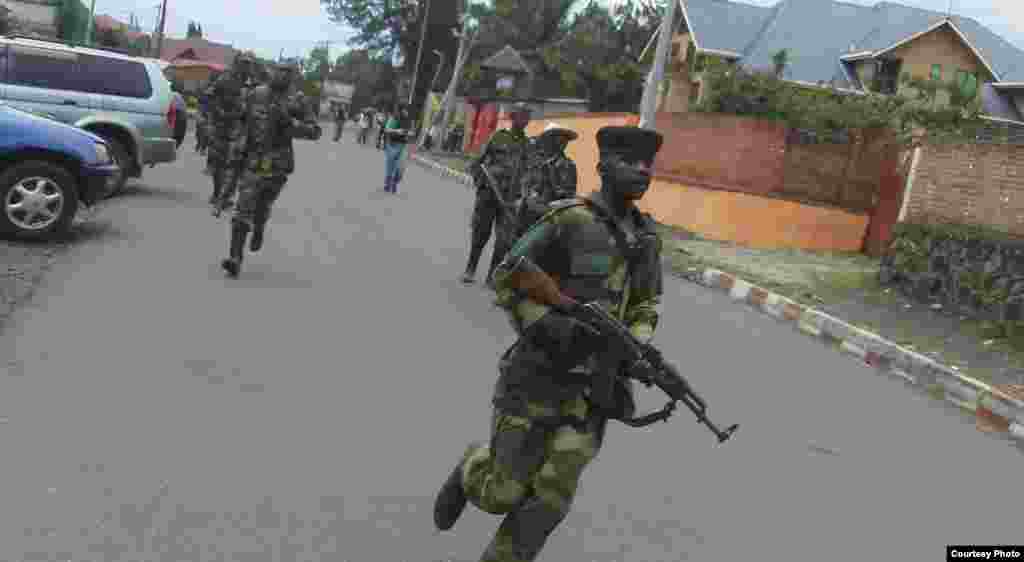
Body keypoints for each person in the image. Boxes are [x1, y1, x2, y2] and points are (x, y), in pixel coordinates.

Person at [432, 126, 666, 562]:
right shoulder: (568, 220)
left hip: (594, 391)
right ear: (602, 166)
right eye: (629, 161)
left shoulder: (647, 238)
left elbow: (647, 303)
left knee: (549, 498)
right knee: (502, 492)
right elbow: (508, 275)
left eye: (647, 164)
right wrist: (547, 324)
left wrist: (636, 344)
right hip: (536, 376)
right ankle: (470, 469)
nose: (641, 170)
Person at [220, 63, 322, 278]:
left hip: (278, 165)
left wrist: (290, 123)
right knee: (243, 209)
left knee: (262, 207)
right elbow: (243, 123)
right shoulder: (256, 94)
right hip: (253, 161)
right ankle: (235, 258)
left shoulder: (297, 100)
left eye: (287, 73)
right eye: (279, 71)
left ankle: (259, 227)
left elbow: (315, 131)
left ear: (292, 77)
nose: (281, 76)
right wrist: (237, 148)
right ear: (272, 73)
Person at [460, 102, 533, 287]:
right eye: (521, 115)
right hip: (489, 194)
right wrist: (481, 184)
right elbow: (477, 162)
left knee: (503, 240)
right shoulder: (498, 137)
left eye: (527, 116)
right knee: (480, 233)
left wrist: (523, 194)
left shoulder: (528, 145)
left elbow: (530, 172)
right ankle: (470, 268)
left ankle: (492, 276)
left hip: (510, 200)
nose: (525, 119)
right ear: (512, 117)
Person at [207, 56, 254, 216]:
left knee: (234, 164)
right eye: (244, 64)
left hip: (239, 127)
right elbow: (210, 95)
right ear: (237, 64)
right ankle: (217, 194)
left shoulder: (249, 83)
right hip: (222, 126)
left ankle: (224, 196)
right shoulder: (225, 79)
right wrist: (218, 111)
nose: (247, 67)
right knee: (219, 161)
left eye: (249, 65)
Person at [515, 123, 579, 236]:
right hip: (526, 217)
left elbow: (567, 196)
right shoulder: (536, 162)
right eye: (556, 138)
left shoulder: (566, 165)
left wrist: (550, 176)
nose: (562, 142)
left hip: (549, 219)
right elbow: (525, 184)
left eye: (563, 139)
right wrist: (524, 198)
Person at [382, 104, 414, 194]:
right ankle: (388, 183)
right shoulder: (394, 118)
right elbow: (386, 129)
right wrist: (396, 131)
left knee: (401, 167)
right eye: (405, 110)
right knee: (390, 166)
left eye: (408, 110)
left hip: (403, 145)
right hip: (392, 144)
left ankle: (395, 182)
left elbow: (412, 131)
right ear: (401, 110)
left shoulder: (409, 120)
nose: (407, 112)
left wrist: (410, 133)